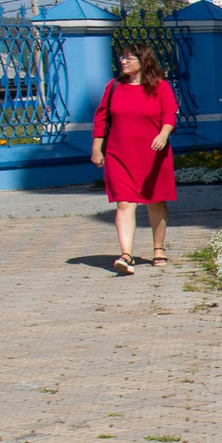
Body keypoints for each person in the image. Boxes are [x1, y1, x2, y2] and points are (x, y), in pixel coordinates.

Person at [91, 43, 180, 273]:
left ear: (144, 61)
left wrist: (163, 133)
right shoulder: (113, 87)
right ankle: (126, 254)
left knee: (156, 201)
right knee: (124, 202)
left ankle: (158, 248)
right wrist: (97, 148)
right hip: (119, 153)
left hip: (153, 153)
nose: (123, 61)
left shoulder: (160, 87)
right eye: (122, 57)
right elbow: (101, 118)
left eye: (129, 58)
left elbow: (169, 113)